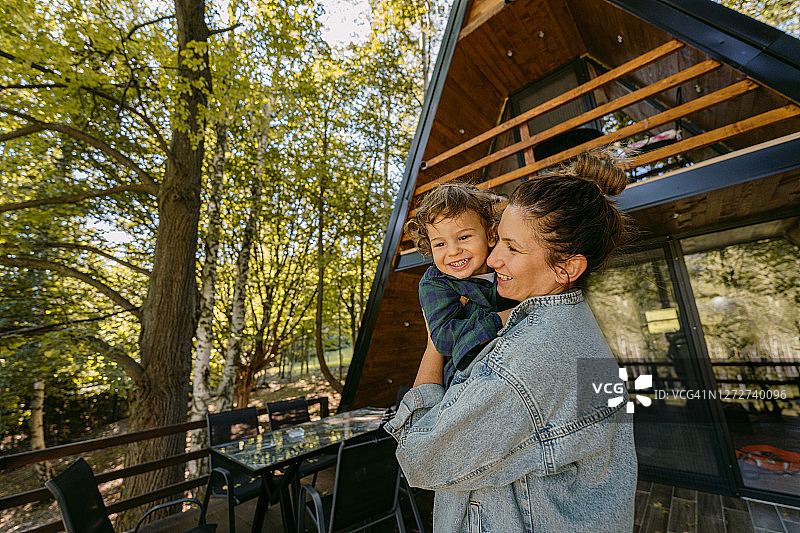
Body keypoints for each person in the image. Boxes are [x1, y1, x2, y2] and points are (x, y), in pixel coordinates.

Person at [385, 150, 638, 532]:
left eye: (512, 247)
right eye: (498, 240)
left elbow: (420, 460)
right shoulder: (580, 331)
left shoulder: (522, 363)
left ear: (567, 266)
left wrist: (432, 346)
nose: (495, 258)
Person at [404, 182, 515, 386]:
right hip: (464, 380)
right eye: (440, 244)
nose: (453, 251)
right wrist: (503, 318)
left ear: (490, 235)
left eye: (463, 237)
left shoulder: (504, 267)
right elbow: (444, 337)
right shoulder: (436, 283)